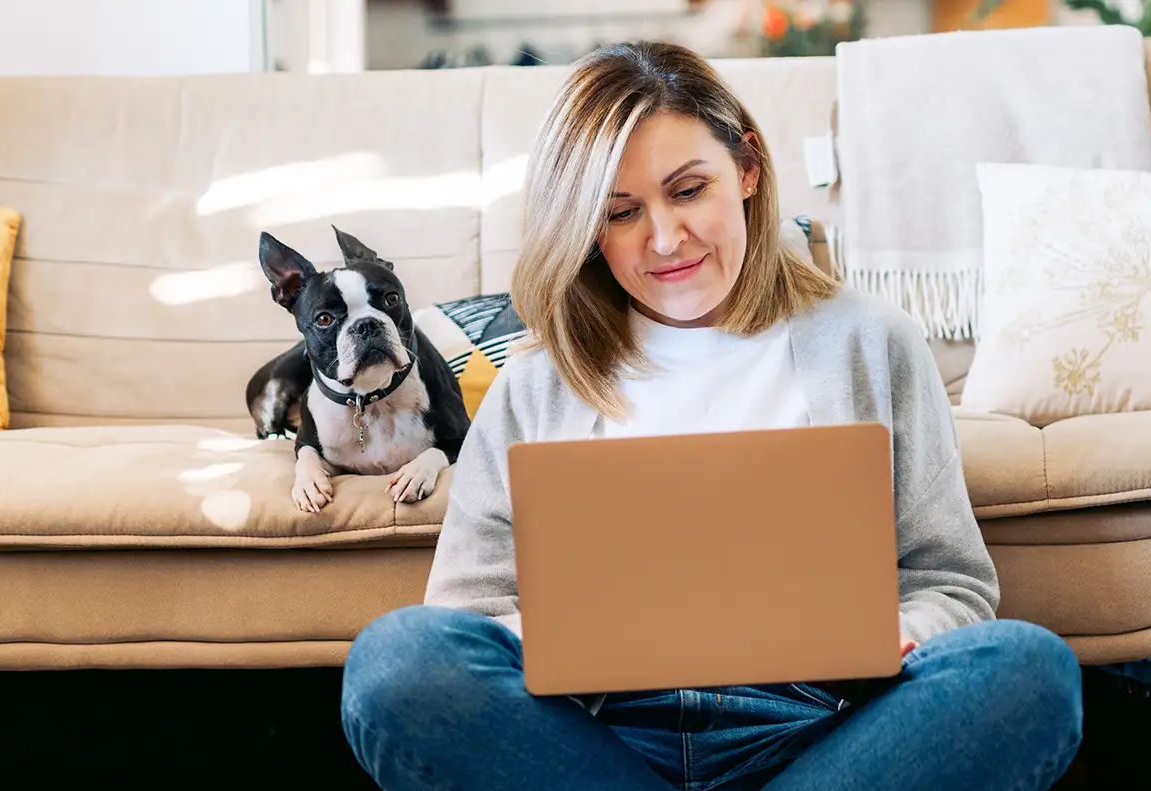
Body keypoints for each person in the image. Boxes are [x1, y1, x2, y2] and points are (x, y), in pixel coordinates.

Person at [339, 40, 1083, 791]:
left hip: (821, 731)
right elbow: (465, 615)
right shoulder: (537, 384)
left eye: (688, 190)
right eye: (621, 213)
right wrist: (556, 639)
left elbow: (950, 581)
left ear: (749, 168)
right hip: (597, 741)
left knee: (1030, 673)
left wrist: (904, 634)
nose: (664, 239)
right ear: (588, 231)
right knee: (396, 662)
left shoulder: (870, 342)